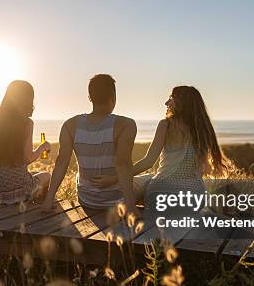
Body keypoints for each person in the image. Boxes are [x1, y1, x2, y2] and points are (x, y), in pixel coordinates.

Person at [91, 85, 229, 210]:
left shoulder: (166, 125)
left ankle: (105, 204)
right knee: (149, 179)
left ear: (182, 103)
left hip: (160, 194)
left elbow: (148, 162)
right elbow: (203, 170)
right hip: (193, 199)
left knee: (139, 184)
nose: (166, 103)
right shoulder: (202, 130)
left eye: (171, 98)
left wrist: (113, 179)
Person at [41, 74, 137, 212]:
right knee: (146, 182)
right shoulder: (126, 125)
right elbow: (124, 164)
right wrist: (131, 207)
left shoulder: (70, 125)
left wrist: (48, 200)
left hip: (87, 199)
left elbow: (61, 162)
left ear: (90, 97)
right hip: (117, 201)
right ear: (113, 97)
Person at [0, 80, 51, 205]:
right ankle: (37, 204)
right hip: (18, 190)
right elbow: (28, 158)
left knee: (33, 174)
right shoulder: (27, 123)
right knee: (47, 176)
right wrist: (43, 147)